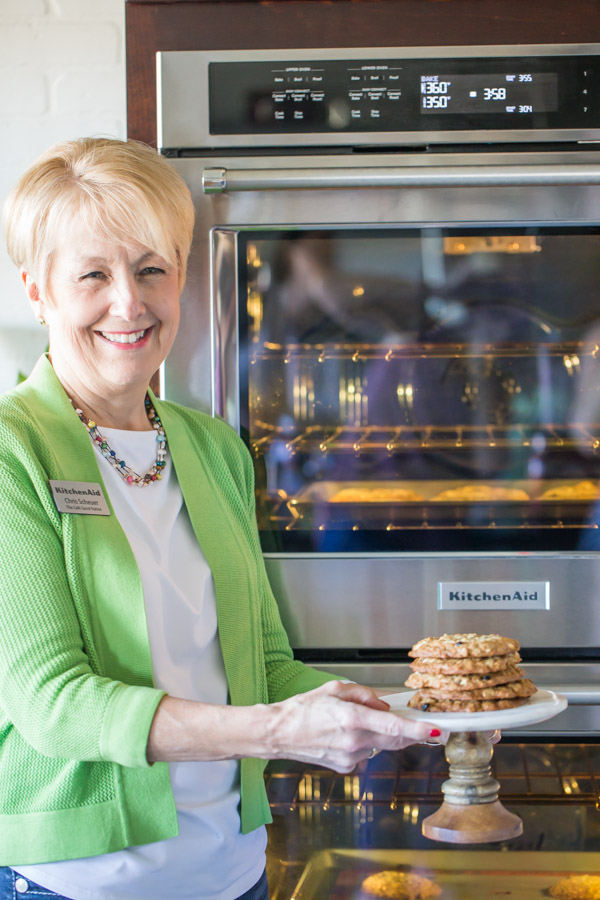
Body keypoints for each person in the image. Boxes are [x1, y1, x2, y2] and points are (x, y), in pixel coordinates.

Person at [0, 138, 439, 900]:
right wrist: (276, 732)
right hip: (76, 885)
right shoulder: (14, 451)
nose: (129, 304)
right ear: (38, 291)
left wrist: (425, 718)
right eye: (93, 275)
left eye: (151, 270)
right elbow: (53, 704)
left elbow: (264, 668)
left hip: (234, 877)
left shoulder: (207, 446)